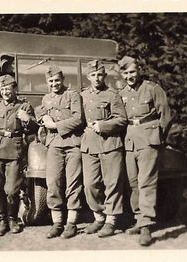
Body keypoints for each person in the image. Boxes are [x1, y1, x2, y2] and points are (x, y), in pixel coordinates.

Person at [118, 56, 172, 246]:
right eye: (125, 73)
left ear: (139, 70)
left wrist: (158, 137)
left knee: (146, 182)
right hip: (129, 140)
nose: (129, 76)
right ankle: (139, 219)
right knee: (133, 183)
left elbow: (165, 116)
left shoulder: (152, 88)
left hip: (149, 139)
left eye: (132, 72)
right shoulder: (121, 92)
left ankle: (147, 226)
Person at [0, 74, 39, 236]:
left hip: (15, 151)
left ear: (15, 89)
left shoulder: (24, 106)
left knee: (12, 189)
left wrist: (27, 120)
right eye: (3, 88)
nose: (6, 92)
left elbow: (33, 129)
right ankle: (2, 220)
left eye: (9, 88)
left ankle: (13, 219)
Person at [80, 60, 128, 238]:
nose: (97, 78)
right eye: (93, 75)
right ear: (88, 77)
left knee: (112, 183)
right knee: (90, 184)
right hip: (89, 146)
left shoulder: (112, 95)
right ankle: (98, 217)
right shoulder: (82, 96)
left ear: (104, 76)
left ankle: (111, 221)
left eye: (100, 74)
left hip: (110, 145)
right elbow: (76, 117)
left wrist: (103, 125)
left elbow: (122, 119)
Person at [37, 65, 84, 239]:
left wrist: (56, 125)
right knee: (53, 182)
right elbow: (41, 112)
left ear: (63, 80)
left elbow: (78, 119)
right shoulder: (46, 98)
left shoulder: (72, 95)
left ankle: (71, 223)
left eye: (57, 80)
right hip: (54, 145)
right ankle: (57, 222)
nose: (54, 84)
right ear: (47, 82)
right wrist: (43, 118)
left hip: (73, 144)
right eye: (51, 81)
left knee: (73, 184)